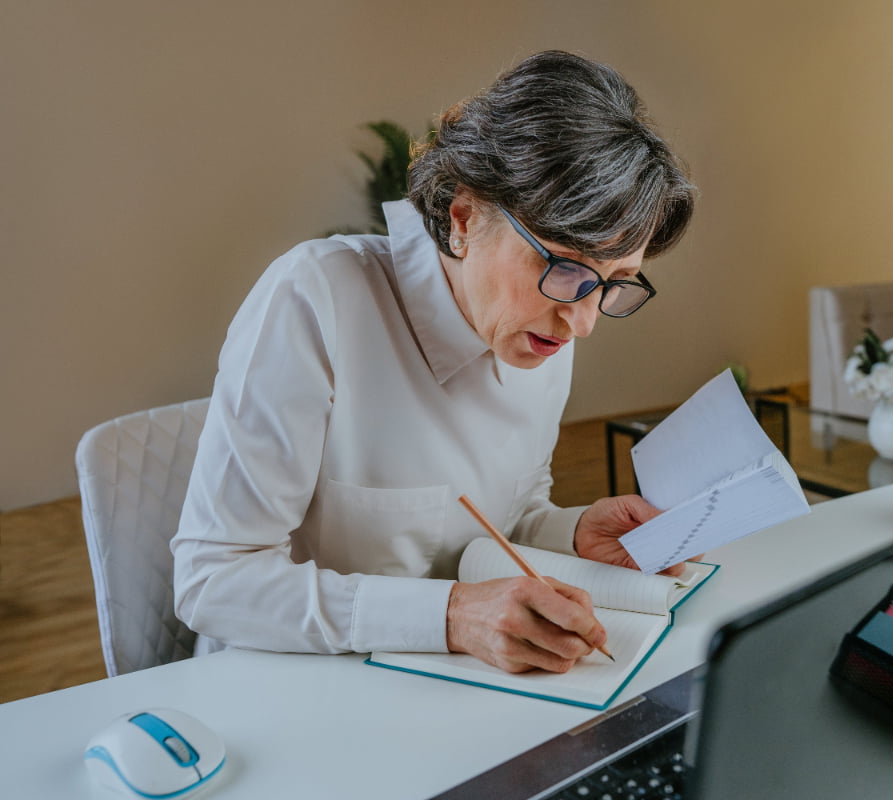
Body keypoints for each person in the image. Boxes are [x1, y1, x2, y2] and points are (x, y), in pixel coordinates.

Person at [171, 50, 696, 675]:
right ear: (465, 216)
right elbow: (213, 580)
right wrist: (449, 616)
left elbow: (502, 519)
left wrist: (573, 533)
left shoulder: (545, 325)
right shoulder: (316, 298)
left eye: (615, 283)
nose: (582, 321)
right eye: (563, 264)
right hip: (289, 686)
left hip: (452, 687)